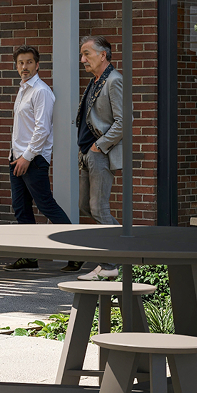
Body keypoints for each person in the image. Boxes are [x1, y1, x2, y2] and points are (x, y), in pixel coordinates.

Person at [3, 46, 70, 269]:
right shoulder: (23, 90)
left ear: (37, 65)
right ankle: (30, 255)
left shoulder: (41, 91)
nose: (25, 67)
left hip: (33, 159)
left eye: (29, 62)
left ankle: (76, 251)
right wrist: (15, 155)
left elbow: (42, 130)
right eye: (21, 63)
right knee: (21, 207)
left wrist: (26, 157)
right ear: (16, 66)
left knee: (46, 205)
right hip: (17, 158)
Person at [77, 36, 128, 279]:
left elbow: (123, 122)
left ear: (103, 55)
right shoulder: (95, 81)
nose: (82, 59)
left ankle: (112, 263)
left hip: (100, 154)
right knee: (85, 206)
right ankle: (111, 261)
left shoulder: (114, 80)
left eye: (87, 54)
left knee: (99, 207)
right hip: (86, 153)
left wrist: (99, 145)